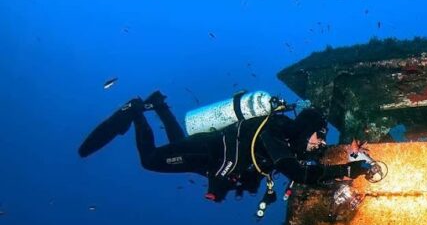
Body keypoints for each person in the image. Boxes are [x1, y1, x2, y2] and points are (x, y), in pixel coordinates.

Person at [78, 91, 373, 203]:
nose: (320, 143)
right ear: (305, 130)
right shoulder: (272, 132)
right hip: (210, 153)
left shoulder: (291, 144)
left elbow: (312, 160)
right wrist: (349, 169)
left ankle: (159, 104)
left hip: (212, 163)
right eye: (317, 136)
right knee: (151, 160)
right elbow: (299, 174)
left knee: (179, 146)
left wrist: (351, 151)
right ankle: (135, 111)